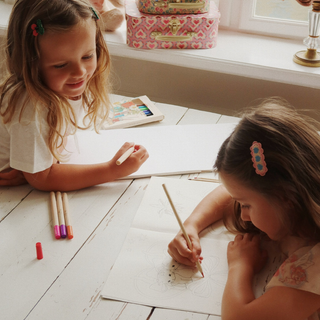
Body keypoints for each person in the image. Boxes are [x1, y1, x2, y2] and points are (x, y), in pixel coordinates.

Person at [168, 98, 320, 320]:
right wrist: (192, 225)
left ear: (285, 197)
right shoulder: (305, 176)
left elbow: (239, 317)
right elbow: (232, 190)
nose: (242, 214)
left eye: (246, 205)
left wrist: (240, 266)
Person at [0, 0, 148, 191]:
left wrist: (31, 165)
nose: (79, 72)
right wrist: (112, 170)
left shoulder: (60, 86)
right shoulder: (31, 106)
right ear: (30, 64)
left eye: (87, 56)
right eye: (61, 65)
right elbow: (42, 178)